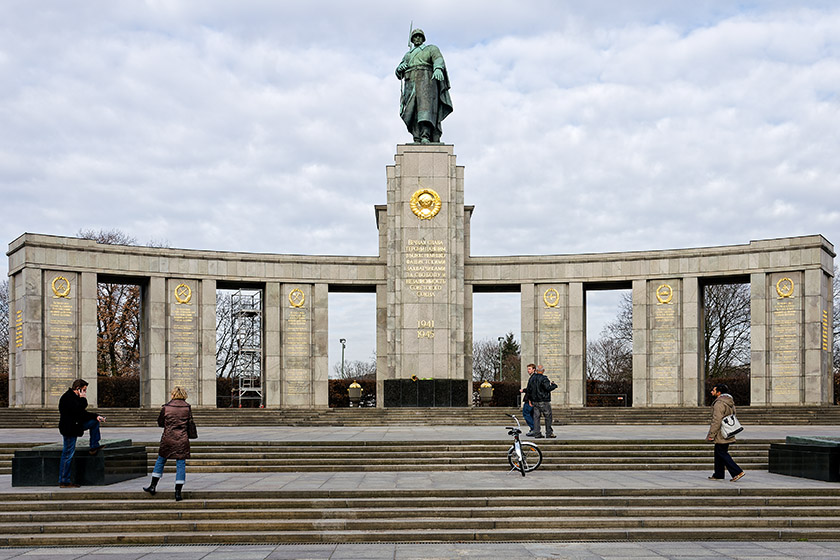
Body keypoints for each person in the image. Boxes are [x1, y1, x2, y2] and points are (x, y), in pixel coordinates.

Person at [395, 28, 453, 143]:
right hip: (410, 83)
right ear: (412, 40)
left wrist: (437, 68)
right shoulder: (408, 55)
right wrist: (398, 69)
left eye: (419, 36)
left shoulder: (431, 49)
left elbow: (438, 59)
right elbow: (399, 71)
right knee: (412, 111)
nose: (417, 38)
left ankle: (425, 135)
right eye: (415, 37)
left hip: (426, 80)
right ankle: (416, 137)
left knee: (425, 110)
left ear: (423, 38)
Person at [143, 386, 195, 501]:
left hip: (168, 438)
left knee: (160, 461)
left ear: (173, 395)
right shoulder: (187, 408)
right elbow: (190, 423)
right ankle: (177, 493)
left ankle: (152, 486)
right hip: (182, 439)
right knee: (180, 464)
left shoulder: (166, 407)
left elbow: (160, 422)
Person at [58, 378, 105, 488]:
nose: (85, 392)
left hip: (76, 426)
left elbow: (83, 413)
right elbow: (79, 412)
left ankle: (94, 446)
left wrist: (96, 416)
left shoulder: (74, 398)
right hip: (70, 429)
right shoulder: (68, 398)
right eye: (84, 390)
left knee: (94, 422)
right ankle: (64, 480)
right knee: (67, 454)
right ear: (78, 389)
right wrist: (83, 399)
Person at [706, 383, 745, 482]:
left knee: (722, 453)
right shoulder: (730, 402)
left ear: (719, 393)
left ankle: (737, 471)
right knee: (719, 452)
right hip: (728, 430)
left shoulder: (719, 403)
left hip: (721, 432)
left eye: (713, 390)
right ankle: (718, 474)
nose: (711, 392)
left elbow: (716, 420)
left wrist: (711, 435)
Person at [525, 365, 557, 438]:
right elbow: (547, 388)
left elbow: (529, 390)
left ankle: (537, 433)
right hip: (544, 401)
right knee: (548, 417)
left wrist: (530, 400)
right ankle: (549, 433)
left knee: (536, 418)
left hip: (535, 401)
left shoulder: (532, 379)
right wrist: (554, 385)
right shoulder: (544, 378)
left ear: (536, 370)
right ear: (543, 370)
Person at [520, 364, 536, 432]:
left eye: (529, 369)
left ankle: (534, 428)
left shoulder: (533, 378)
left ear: (534, 369)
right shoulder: (533, 377)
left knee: (526, 413)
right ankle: (534, 428)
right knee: (531, 414)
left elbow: (531, 390)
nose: (528, 370)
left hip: (529, 400)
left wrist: (530, 400)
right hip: (531, 399)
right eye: (528, 369)